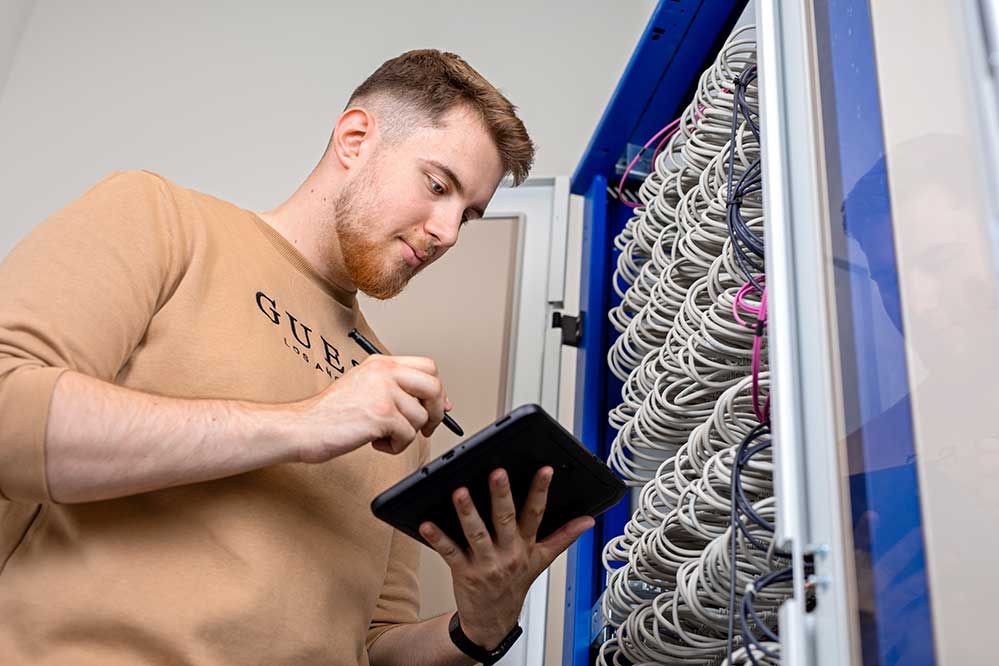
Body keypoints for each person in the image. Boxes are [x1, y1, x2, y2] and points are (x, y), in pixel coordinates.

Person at [0, 49, 594, 666]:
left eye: (466, 215)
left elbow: (372, 642)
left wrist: (478, 625)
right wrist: (305, 423)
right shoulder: (163, 219)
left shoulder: (392, 396)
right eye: (437, 186)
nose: (446, 231)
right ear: (356, 138)